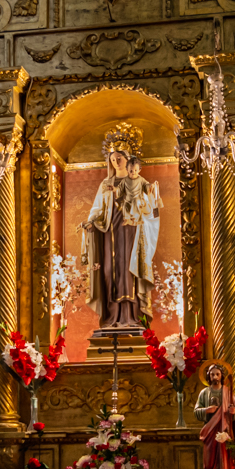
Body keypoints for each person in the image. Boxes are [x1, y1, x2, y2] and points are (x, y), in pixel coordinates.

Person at [83, 123, 162, 333]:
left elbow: (150, 206)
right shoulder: (105, 184)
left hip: (133, 232)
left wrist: (151, 196)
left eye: (120, 157)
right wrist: (91, 222)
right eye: (112, 157)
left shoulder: (139, 181)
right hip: (110, 234)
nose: (115, 161)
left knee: (130, 273)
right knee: (109, 272)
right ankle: (112, 317)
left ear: (129, 161)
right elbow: (97, 208)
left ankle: (132, 318)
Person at [194, 361, 235, 469]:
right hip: (209, 433)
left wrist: (234, 412)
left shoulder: (227, 391)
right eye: (212, 374)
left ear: (221, 376)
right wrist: (207, 410)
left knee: (223, 463)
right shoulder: (204, 393)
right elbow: (196, 411)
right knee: (209, 464)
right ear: (208, 376)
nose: (215, 376)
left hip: (224, 433)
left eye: (217, 374)